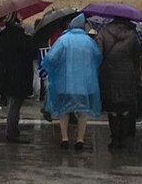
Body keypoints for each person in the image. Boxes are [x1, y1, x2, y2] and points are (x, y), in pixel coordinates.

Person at [41, 14, 102, 150]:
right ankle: (80, 139)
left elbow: (51, 59)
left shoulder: (63, 39)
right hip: (85, 84)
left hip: (65, 83)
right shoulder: (89, 41)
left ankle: (65, 138)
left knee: (64, 110)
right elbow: (98, 57)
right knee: (82, 112)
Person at [96, 17, 142, 150]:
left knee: (112, 108)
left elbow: (99, 55)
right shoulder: (133, 35)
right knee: (125, 108)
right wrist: (138, 76)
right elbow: (136, 58)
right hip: (128, 74)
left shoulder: (103, 32)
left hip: (109, 74)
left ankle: (115, 138)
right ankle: (123, 138)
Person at [0, 12, 37, 143]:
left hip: (7, 73)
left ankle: (12, 131)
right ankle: (12, 132)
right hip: (19, 75)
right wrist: (28, 37)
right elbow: (30, 51)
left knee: (13, 103)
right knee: (15, 105)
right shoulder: (19, 35)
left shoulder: (4, 34)